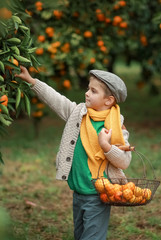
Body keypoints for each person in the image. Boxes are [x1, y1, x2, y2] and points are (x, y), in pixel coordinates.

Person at [16, 66, 132, 240]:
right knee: (79, 235)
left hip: (98, 194)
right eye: (88, 88)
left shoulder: (116, 127)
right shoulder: (78, 114)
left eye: (93, 91)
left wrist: (106, 146)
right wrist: (33, 82)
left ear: (108, 101)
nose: (87, 93)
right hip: (78, 192)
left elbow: (124, 162)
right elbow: (56, 100)